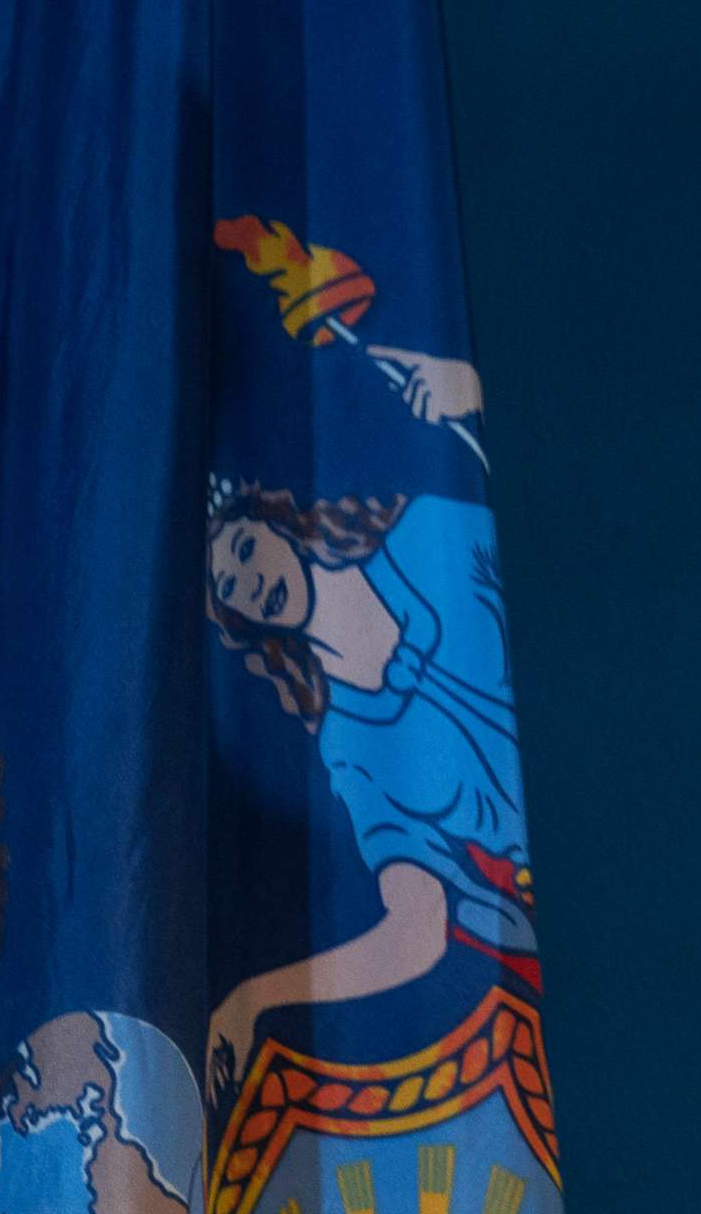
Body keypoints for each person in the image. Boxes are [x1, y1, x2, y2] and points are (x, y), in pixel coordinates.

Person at [203, 454, 538, 1099]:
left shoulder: (428, 536)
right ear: (244, 624)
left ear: (277, 524)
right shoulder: (349, 749)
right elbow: (415, 932)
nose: (249, 580)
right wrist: (252, 998)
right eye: (230, 589)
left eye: (245, 548)